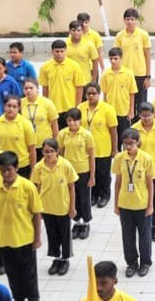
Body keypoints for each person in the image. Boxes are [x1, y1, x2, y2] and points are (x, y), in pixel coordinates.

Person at [0, 153, 40, 301]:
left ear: (17, 168)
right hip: (4, 239)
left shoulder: (27, 187)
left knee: (28, 272)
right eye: (2, 170)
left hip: (24, 238)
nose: (5, 174)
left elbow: (37, 214)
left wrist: (37, 238)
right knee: (12, 273)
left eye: (9, 170)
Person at [112, 130, 153, 277]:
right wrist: (116, 204)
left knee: (144, 236)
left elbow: (150, 184)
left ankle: (145, 262)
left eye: (131, 143)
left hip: (142, 204)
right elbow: (117, 183)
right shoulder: (119, 159)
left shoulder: (146, 159)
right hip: (125, 204)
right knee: (127, 236)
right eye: (125, 144)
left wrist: (150, 206)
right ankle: (131, 262)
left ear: (138, 142)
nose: (128, 147)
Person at [33, 139, 76, 276]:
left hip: (62, 207)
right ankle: (56, 259)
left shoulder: (65, 165)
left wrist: (72, 208)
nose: (49, 154)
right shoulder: (39, 168)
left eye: (52, 151)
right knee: (52, 235)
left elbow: (71, 187)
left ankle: (65, 259)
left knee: (64, 235)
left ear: (58, 151)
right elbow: (37, 189)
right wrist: (37, 210)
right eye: (46, 151)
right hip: (47, 208)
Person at [131, 102, 155, 242]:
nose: (146, 118)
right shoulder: (134, 130)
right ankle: (144, 225)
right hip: (140, 172)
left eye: (149, 115)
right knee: (142, 199)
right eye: (143, 115)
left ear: (154, 114)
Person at [76, 84, 116, 209]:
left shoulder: (107, 109)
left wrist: (114, 149)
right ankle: (93, 195)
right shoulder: (81, 108)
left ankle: (104, 195)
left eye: (94, 93)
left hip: (103, 147)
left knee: (103, 173)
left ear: (99, 94)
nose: (91, 96)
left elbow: (113, 130)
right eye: (89, 94)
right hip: (86, 148)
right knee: (90, 173)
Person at [57, 108, 94, 240]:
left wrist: (92, 176)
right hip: (68, 172)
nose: (72, 124)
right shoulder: (62, 134)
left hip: (83, 171)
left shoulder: (86, 135)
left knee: (84, 198)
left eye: (75, 121)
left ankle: (86, 222)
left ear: (80, 120)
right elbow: (60, 154)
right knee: (73, 198)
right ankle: (77, 222)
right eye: (70, 121)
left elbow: (91, 156)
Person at [0, 96, 35, 178]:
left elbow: (32, 149)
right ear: (4, 106)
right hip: (2, 165)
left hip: (22, 166)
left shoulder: (26, 124)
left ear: (19, 108)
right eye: (9, 106)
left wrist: (33, 170)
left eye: (14, 107)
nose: (11, 109)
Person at [99, 47, 137, 141]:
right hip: (110, 110)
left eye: (115, 59)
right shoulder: (105, 74)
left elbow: (132, 93)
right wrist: (104, 109)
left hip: (123, 110)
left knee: (124, 136)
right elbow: (105, 93)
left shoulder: (128, 74)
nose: (113, 61)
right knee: (112, 136)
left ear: (121, 59)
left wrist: (131, 110)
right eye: (111, 59)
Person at [40, 38, 87, 109]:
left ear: (66, 51)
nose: (59, 54)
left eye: (62, 51)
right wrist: (46, 105)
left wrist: (77, 106)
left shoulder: (74, 65)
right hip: (53, 106)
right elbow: (45, 88)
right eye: (57, 51)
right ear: (52, 52)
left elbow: (79, 87)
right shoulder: (45, 67)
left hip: (70, 106)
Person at [114, 8, 150, 95]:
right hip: (125, 73)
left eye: (132, 19)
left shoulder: (143, 35)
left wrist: (148, 77)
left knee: (141, 104)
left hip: (140, 74)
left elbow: (147, 56)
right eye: (128, 19)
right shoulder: (120, 36)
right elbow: (116, 56)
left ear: (136, 20)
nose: (130, 22)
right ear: (124, 20)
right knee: (128, 103)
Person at [65, 20, 101, 85]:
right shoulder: (65, 44)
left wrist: (94, 80)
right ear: (69, 31)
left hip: (85, 81)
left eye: (78, 30)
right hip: (69, 81)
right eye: (73, 30)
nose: (76, 33)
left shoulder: (89, 45)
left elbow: (95, 62)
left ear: (82, 31)